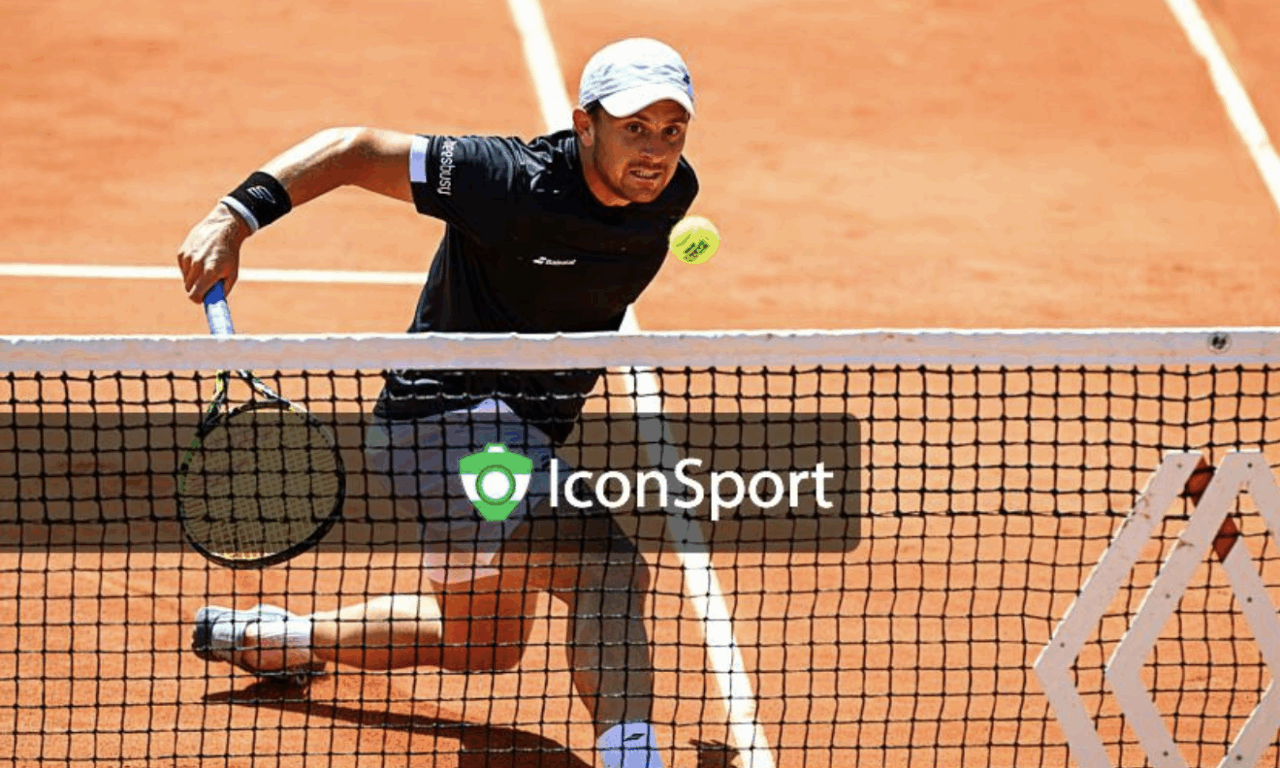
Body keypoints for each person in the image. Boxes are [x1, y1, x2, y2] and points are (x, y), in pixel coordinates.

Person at [175, 38, 699, 768]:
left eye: (671, 130)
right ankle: (634, 758)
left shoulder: (673, 193)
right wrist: (234, 216)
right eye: (634, 128)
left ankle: (268, 638)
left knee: (481, 647)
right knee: (605, 570)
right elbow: (356, 149)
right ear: (586, 125)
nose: (655, 150)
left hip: (519, 439)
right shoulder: (504, 179)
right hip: (446, 424)